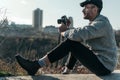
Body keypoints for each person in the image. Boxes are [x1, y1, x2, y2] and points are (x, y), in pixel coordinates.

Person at [15, 0, 118, 76]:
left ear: (95, 9)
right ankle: (67, 69)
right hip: (104, 64)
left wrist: (64, 32)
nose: (83, 10)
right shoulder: (97, 23)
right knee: (74, 42)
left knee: (72, 43)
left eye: (86, 7)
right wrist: (69, 30)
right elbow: (78, 37)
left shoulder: (101, 23)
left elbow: (78, 35)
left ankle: (36, 65)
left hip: (104, 66)